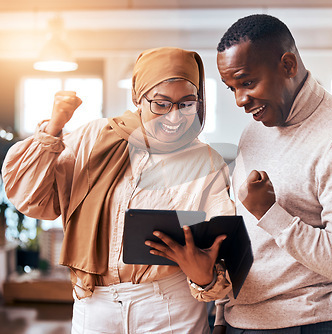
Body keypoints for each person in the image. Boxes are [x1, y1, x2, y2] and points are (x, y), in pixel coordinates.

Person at [148, 14, 332, 333]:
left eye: (247, 82)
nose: (241, 100)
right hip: (239, 321)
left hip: (304, 324)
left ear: (287, 65)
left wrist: (270, 213)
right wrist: (221, 313)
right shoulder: (254, 131)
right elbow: (244, 235)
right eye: (232, 88)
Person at [2, 47, 234, 334]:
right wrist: (53, 129)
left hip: (170, 305)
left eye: (187, 104)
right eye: (161, 104)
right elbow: (31, 199)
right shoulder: (93, 138)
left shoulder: (205, 161)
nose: (174, 117)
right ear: (138, 97)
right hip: (94, 304)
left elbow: (224, 245)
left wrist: (205, 279)